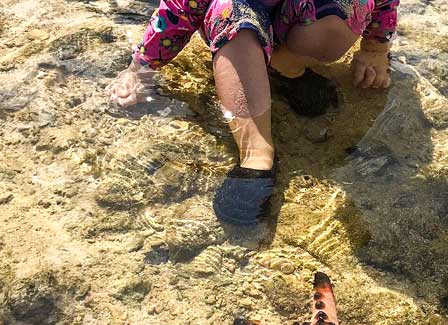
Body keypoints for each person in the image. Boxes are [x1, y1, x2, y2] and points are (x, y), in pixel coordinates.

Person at [107, 0, 398, 225]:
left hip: (299, 21)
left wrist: (375, 49)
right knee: (233, 14)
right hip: (238, 24)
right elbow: (180, 9)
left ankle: (287, 68)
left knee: (348, 7)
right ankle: (256, 151)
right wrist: (142, 67)